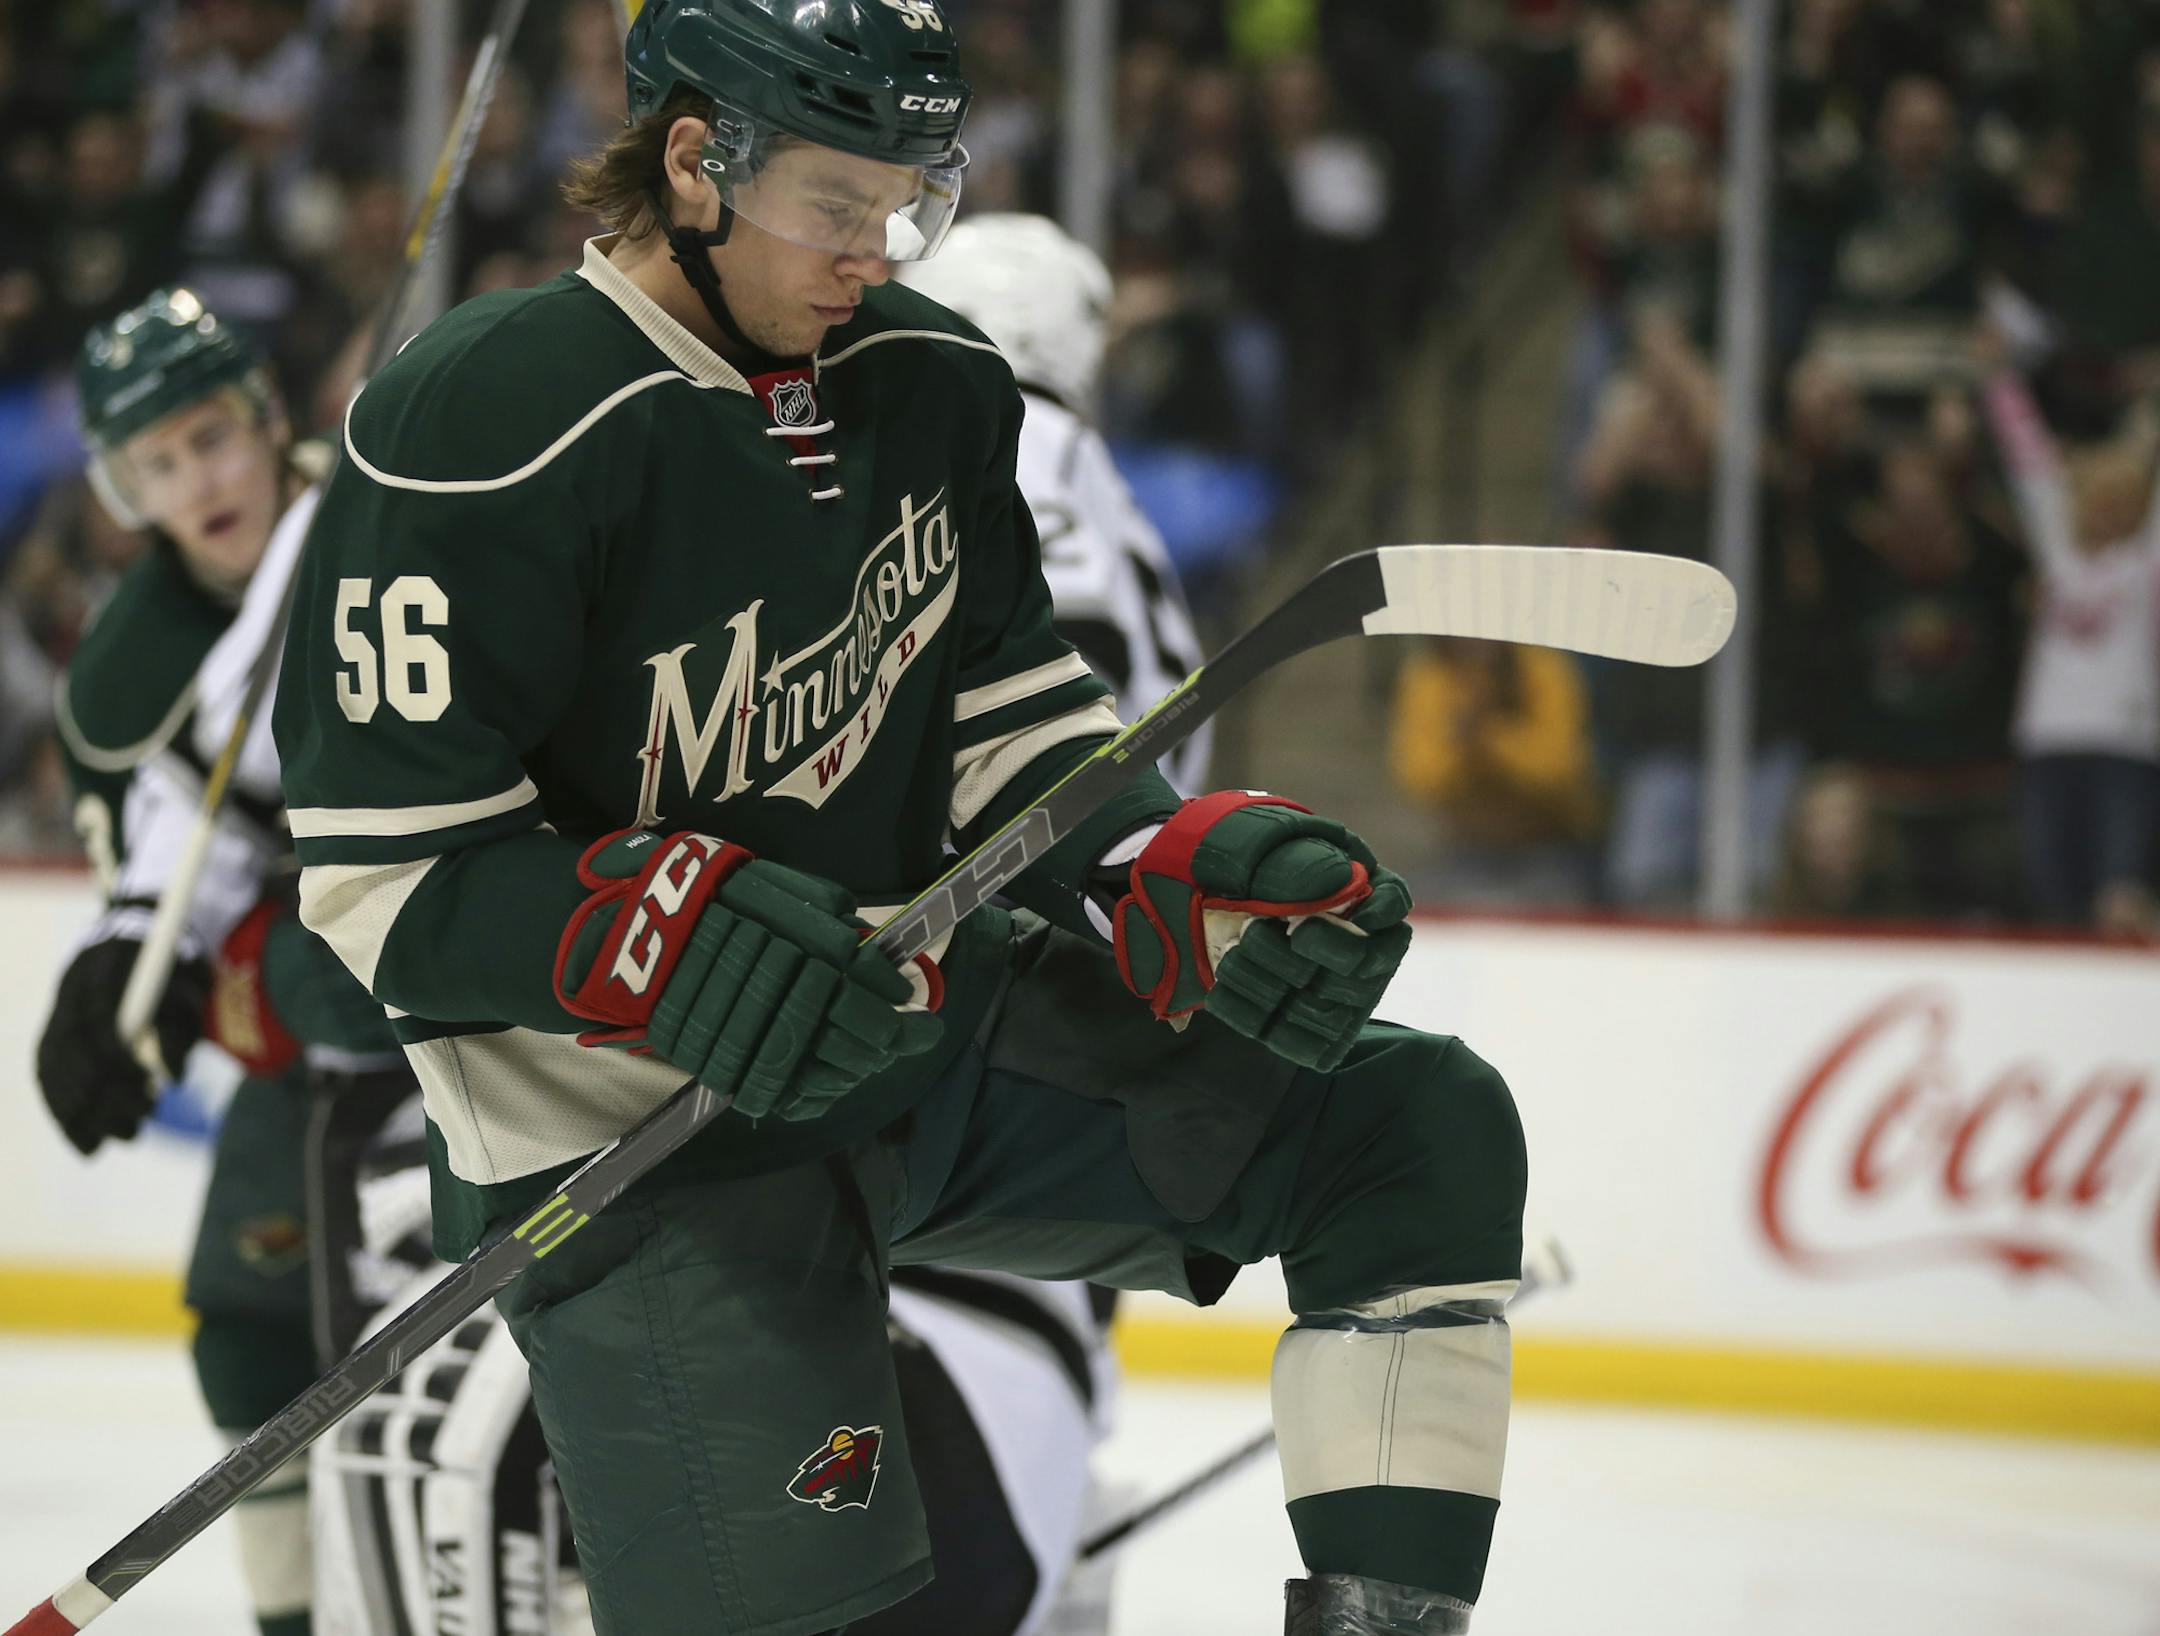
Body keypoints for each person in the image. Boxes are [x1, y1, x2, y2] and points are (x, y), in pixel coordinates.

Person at [273, 5, 1528, 1635]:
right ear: (692, 165)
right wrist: (664, 931)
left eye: (910, 201)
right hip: (635, 1139)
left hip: (907, 1028)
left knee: (1403, 1129)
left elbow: (1007, 717)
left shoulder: (929, 379)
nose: (879, 251)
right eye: (836, 205)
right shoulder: (480, 426)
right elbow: (389, 885)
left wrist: (1155, 849)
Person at [35, 288, 407, 1636]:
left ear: (262, 418)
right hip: (314, 1036)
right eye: (157, 464)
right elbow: (169, 865)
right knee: (247, 1320)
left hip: (460, 993)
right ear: (120, 492)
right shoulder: (131, 676)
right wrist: (127, 974)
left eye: (211, 438)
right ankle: (299, 1617)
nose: (199, 482)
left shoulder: (390, 508)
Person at [896, 211, 1210, 792]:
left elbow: (1070, 626)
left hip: (1074, 834)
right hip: (1127, 823)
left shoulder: (1018, 431)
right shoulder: (1055, 437)